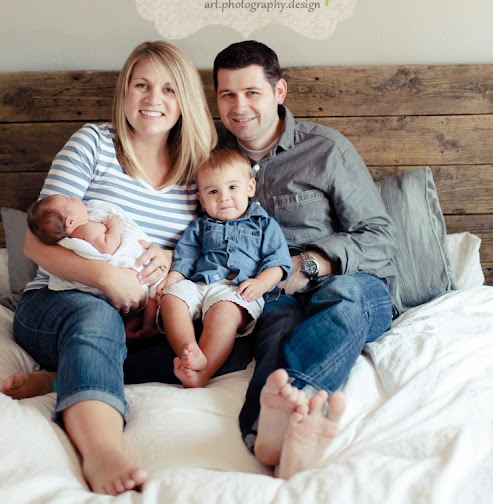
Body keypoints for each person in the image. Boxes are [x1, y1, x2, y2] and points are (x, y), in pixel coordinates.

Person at [0, 40, 226, 496]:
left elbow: (203, 253)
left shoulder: (196, 173)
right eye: (141, 85)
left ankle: (61, 378)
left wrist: (169, 260)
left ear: (185, 99)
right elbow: (34, 242)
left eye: (168, 88)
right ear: (124, 91)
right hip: (60, 302)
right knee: (96, 317)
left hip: (144, 316)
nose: (153, 99)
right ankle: (102, 450)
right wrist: (106, 277)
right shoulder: (94, 143)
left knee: (214, 346)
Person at [212, 40, 397, 478]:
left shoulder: (326, 149)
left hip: (351, 285)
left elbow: (382, 238)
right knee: (277, 331)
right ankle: (266, 436)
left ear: (279, 92)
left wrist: (311, 264)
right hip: (272, 295)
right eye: (227, 94)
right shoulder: (211, 158)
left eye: (252, 93)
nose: (239, 107)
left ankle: (295, 406)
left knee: (343, 299)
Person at [159, 146, 292, 388]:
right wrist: (174, 277)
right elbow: (186, 255)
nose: (223, 197)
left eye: (232, 187)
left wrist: (261, 283)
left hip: (236, 290)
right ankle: (188, 349)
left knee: (224, 313)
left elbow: (279, 262)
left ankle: (202, 373)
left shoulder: (264, 224)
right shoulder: (200, 226)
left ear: (250, 188)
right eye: (213, 191)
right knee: (171, 298)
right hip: (200, 283)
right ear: (201, 199)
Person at [27, 194, 164, 329]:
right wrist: (114, 227)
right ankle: (147, 327)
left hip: (119, 288)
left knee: (146, 303)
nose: (74, 196)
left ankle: (139, 327)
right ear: (70, 222)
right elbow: (108, 248)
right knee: (151, 299)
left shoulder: (82, 229)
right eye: (70, 200)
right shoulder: (87, 229)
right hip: (117, 272)